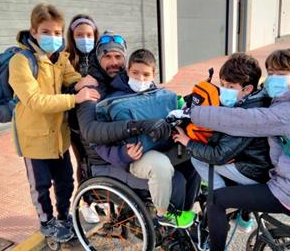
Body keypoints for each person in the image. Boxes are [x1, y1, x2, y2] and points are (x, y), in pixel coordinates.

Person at [175, 48, 290, 251]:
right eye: (269, 72)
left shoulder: (287, 111)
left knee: (217, 199)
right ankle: (242, 218)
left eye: (278, 73)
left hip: (287, 190)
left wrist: (191, 112)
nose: (270, 78)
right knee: (235, 187)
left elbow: (240, 121)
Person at [77, 33, 200, 225]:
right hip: (116, 159)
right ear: (129, 71)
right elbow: (95, 136)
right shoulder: (92, 92)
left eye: (118, 57)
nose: (113, 62)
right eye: (107, 56)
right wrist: (123, 154)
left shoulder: (151, 91)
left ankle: (184, 217)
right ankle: (164, 217)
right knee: (171, 176)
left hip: (156, 148)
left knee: (193, 159)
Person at [8, 3, 100, 242]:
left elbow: (73, 78)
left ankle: (63, 217)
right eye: (46, 32)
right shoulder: (21, 61)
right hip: (34, 138)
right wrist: (75, 97)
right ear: (34, 31)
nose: (53, 37)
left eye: (57, 32)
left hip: (59, 136)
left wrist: (85, 82)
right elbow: (35, 101)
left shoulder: (60, 58)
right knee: (40, 186)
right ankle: (46, 222)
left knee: (65, 181)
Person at [172, 54, 271, 233]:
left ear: (248, 89)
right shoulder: (255, 100)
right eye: (223, 84)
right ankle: (243, 218)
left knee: (198, 158)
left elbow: (218, 155)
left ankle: (220, 196)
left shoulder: (246, 115)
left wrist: (188, 142)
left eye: (230, 87)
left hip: (252, 170)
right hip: (257, 162)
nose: (224, 90)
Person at [66, 14, 100, 224]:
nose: (85, 38)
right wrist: (75, 88)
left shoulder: (100, 56)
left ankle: (100, 197)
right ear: (72, 36)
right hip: (75, 124)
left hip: (99, 122)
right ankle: (85, 202)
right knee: (83, 163)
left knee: (100, 161)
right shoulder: (65, 60)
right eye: (80, 35)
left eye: (89, 34)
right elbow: (58, 90)